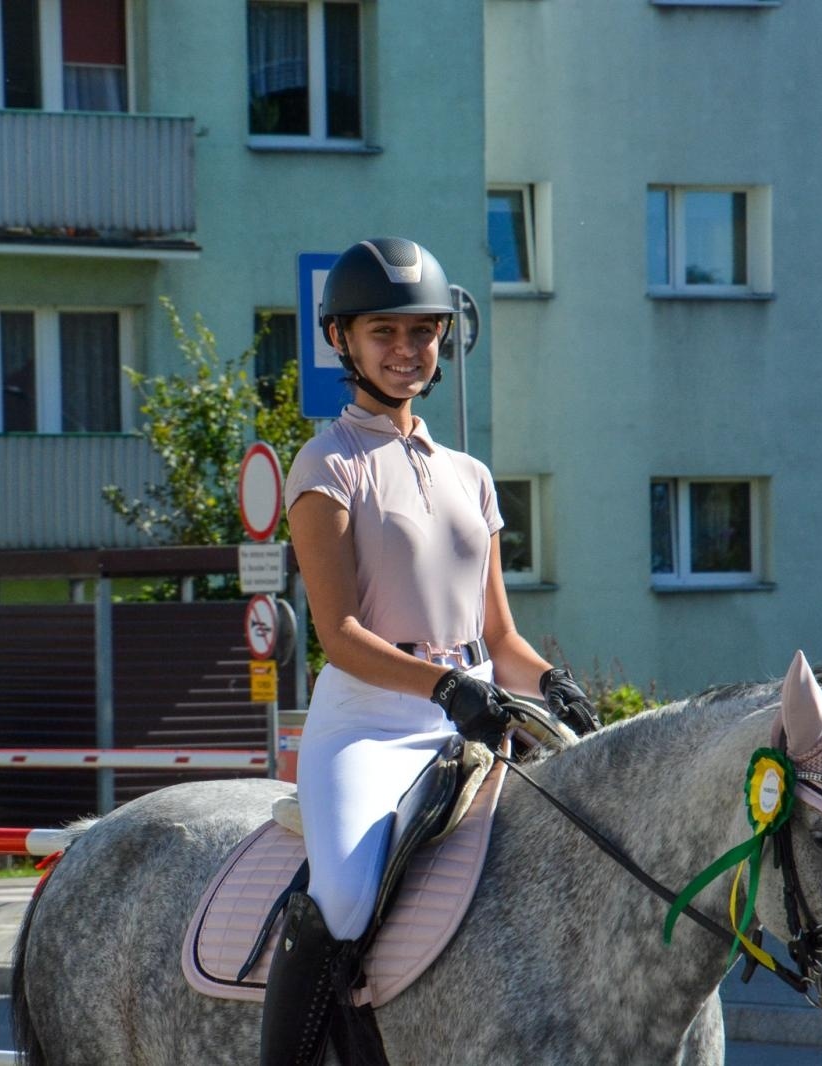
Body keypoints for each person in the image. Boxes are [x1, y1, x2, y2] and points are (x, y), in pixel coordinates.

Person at [259, 237, 599, 1065]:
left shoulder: (472, 476)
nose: (408, 352)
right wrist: (445, 689)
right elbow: (340, 638)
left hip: (478, 712)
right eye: (385, 333)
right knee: (343, 896)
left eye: (424, 333)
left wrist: (554, 683)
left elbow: (501, 638)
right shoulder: (326, 465)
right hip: (371, 726)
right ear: (341, 339)